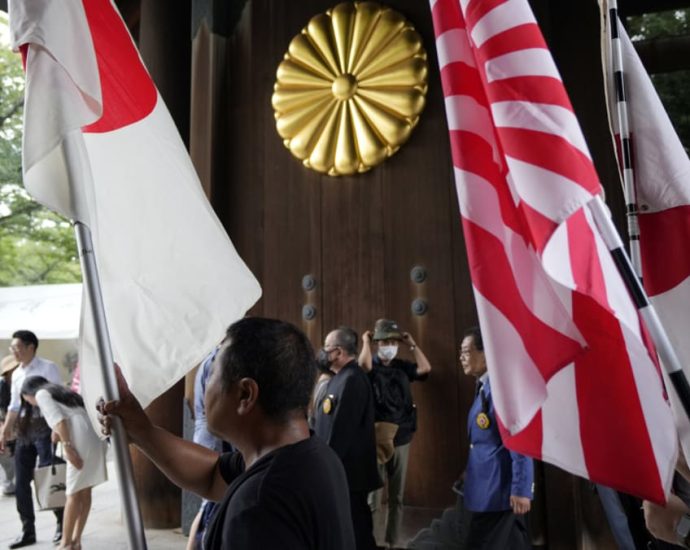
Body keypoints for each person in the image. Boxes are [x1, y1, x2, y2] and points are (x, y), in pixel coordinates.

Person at [99, 317, 355, 549]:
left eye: (211, 376)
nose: (205, 388)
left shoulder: (257, 508)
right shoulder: (314, 456)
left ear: (245, 394)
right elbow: (211, 475)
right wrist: (141, 429)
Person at [359, 318, 432, 549]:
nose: (389, 346)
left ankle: (392, 541)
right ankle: (371, 539)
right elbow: (363, 366)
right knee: (373, 496)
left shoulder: (402, 366)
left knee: (396, 496)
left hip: (401, 437)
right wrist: (365, 342)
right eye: (384, 342)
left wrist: (412, 344)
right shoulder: (371, 366)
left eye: (392, 342)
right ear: (377, 345)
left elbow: (425, 369)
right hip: (376, 437)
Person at [459, 326, 533, 549]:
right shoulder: (484, 387)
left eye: (466, 351)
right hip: (487, 485)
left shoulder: (501, 389)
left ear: (485, 353)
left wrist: (521, 488)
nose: (461, 357)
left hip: (499, 489)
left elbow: (519, 441)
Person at [20, 376, 107, 550]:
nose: (30, 403)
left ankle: (66, 543)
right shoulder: (61, 392)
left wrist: (67, 446)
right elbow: (66, 417)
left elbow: (60, 420)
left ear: (29, 392)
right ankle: (76, 541)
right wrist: (57, 432)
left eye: (26, 399)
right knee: (85, 489)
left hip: (78, 438)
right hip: (93, 435)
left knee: (73, 492)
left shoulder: (41, 394)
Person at [314, 326, 381, 550]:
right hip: (340, 471)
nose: (322, 353)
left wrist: (326, 466)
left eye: (326, 348)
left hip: (350, 474)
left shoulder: (352, 379)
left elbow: (342, 430)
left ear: (339, 352)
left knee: (358, 529)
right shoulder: (340, 378)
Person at [0, 330, 64, 548]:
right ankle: (28, 531)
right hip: (25, 433)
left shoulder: (48, 368)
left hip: (46, 429)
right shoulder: (16, 374)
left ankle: (62, 524)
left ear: (30, 347)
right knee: (20, 484)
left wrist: (58, 428)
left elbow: (58, 398)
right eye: (12, 347)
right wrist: (4, 431)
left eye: (17, 347)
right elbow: (14, 406)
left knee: (50, 476)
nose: (14, 351)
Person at [0, 355, 18, 496]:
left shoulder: (18, 383)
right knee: (5, 456)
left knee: (11, 454)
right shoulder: (2, 386)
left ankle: (10, 483)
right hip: (4, 425)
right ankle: (8, 483)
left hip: (14, 426)